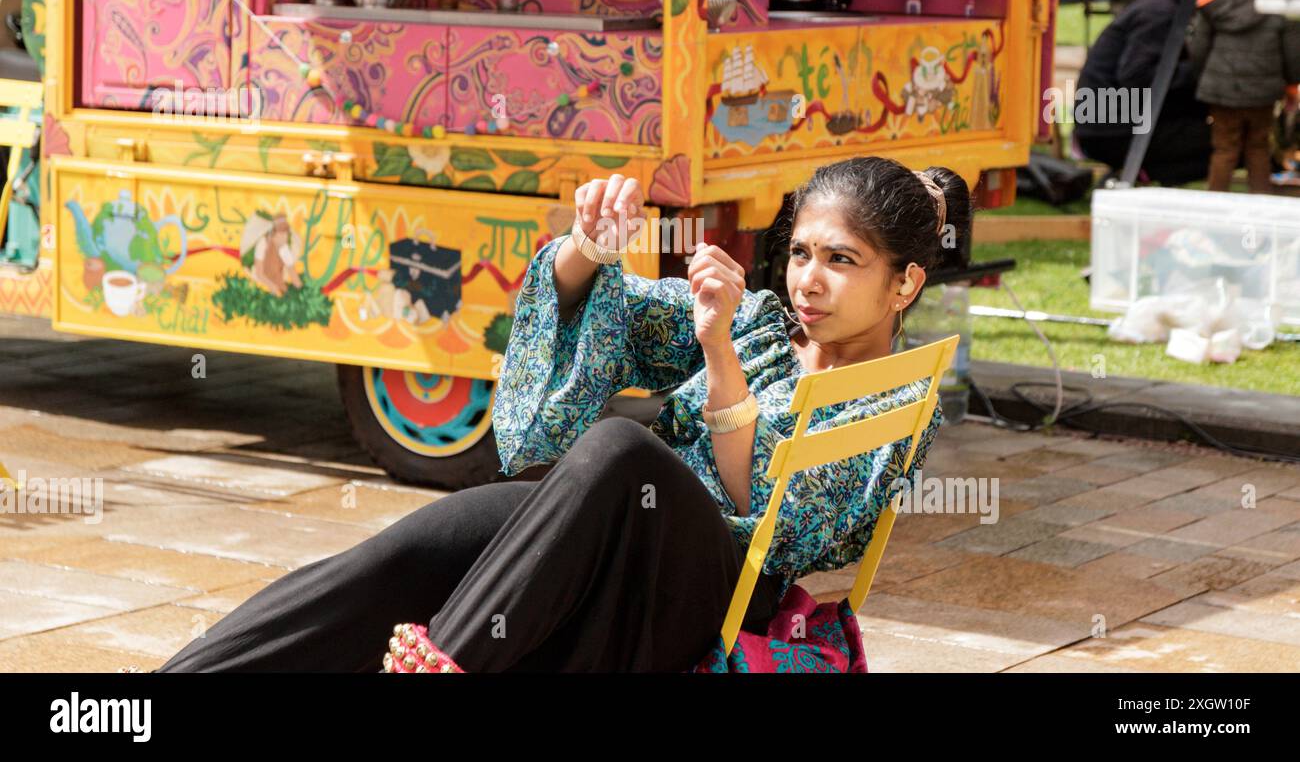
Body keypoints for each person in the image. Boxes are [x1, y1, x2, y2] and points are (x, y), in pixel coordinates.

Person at [156, 156, 967, 672]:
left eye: (841, 261)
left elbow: (769, 519)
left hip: (714, 597)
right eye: (800, 253)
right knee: (411, 552)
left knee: (620, 449)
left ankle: (445, 668)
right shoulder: (761, 324)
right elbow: (613, 308)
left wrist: (717, 353)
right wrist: (589, 244)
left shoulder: (896, 398)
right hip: (617, 540)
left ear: (904, 284)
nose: (808, 281)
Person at [1073, 0, 1223, 184]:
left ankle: (1139, 174)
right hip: (1112, 130)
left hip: (1105, 124)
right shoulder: (1160, 13)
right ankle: (1143, 174)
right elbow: (1137, 76)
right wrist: (1203, 73)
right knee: (1228, 138)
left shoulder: (1155, 4)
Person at [1188, 0, 1300, 190]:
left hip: (1221, 90)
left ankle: (1215, 208)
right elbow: (1293, 56)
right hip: (1263, 93)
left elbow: (1198, 46)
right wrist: (1291, 88)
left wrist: (1205, 76)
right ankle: (1260, 208)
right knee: (1258, 148)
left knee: (1224, 149)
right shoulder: (1280, 4)